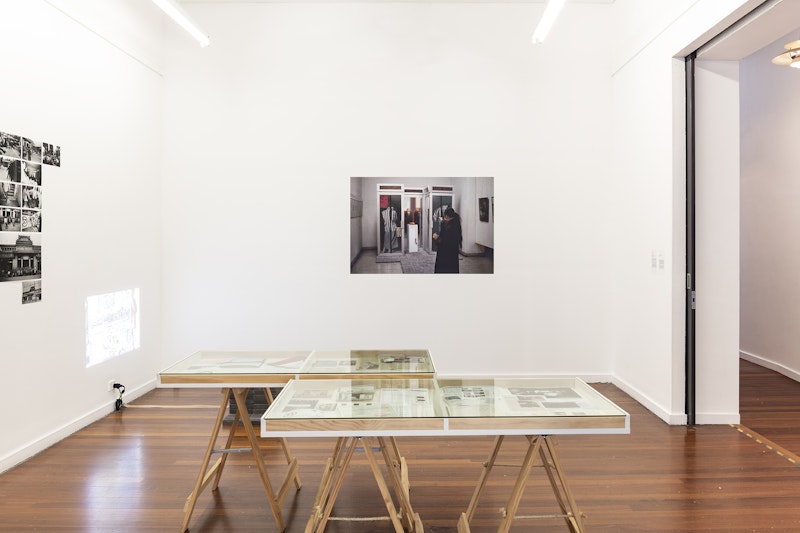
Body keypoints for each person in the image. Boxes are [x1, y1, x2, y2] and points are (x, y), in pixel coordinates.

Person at [432, 207, 462, 273]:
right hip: (452, 252)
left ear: (447, 216)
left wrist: (437, 238)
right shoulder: (455, 223)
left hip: (446, 253)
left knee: (445, 269)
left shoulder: (451, 227)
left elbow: (446, 240)